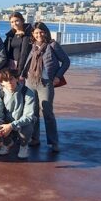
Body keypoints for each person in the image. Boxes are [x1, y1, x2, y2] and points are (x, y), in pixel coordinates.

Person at [21, 22, 69, 152]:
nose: (39, 35)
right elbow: (28, 62)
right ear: (33, 34)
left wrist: (58, 76)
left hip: (45, 83)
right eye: (36, 33)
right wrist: (22, 75)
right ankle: (34, 138)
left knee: (47, 112)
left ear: (46, 32)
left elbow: (66, 61)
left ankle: (53, 142)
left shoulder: (52, 45)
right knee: (33, 112)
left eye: (41, 32)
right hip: (30, 82)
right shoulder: (33, 46)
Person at [0, 68, 37, 159]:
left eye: (11, 78)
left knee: (27, 128)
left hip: (22, 122)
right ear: (1, 83)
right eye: (5, 80)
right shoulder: (0, 94)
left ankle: (24, 146)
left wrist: (11, 126)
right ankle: (7, 143)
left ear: (16, 78)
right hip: (7, 122)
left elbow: (28, 116)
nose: (9, 82)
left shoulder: (27, 92)